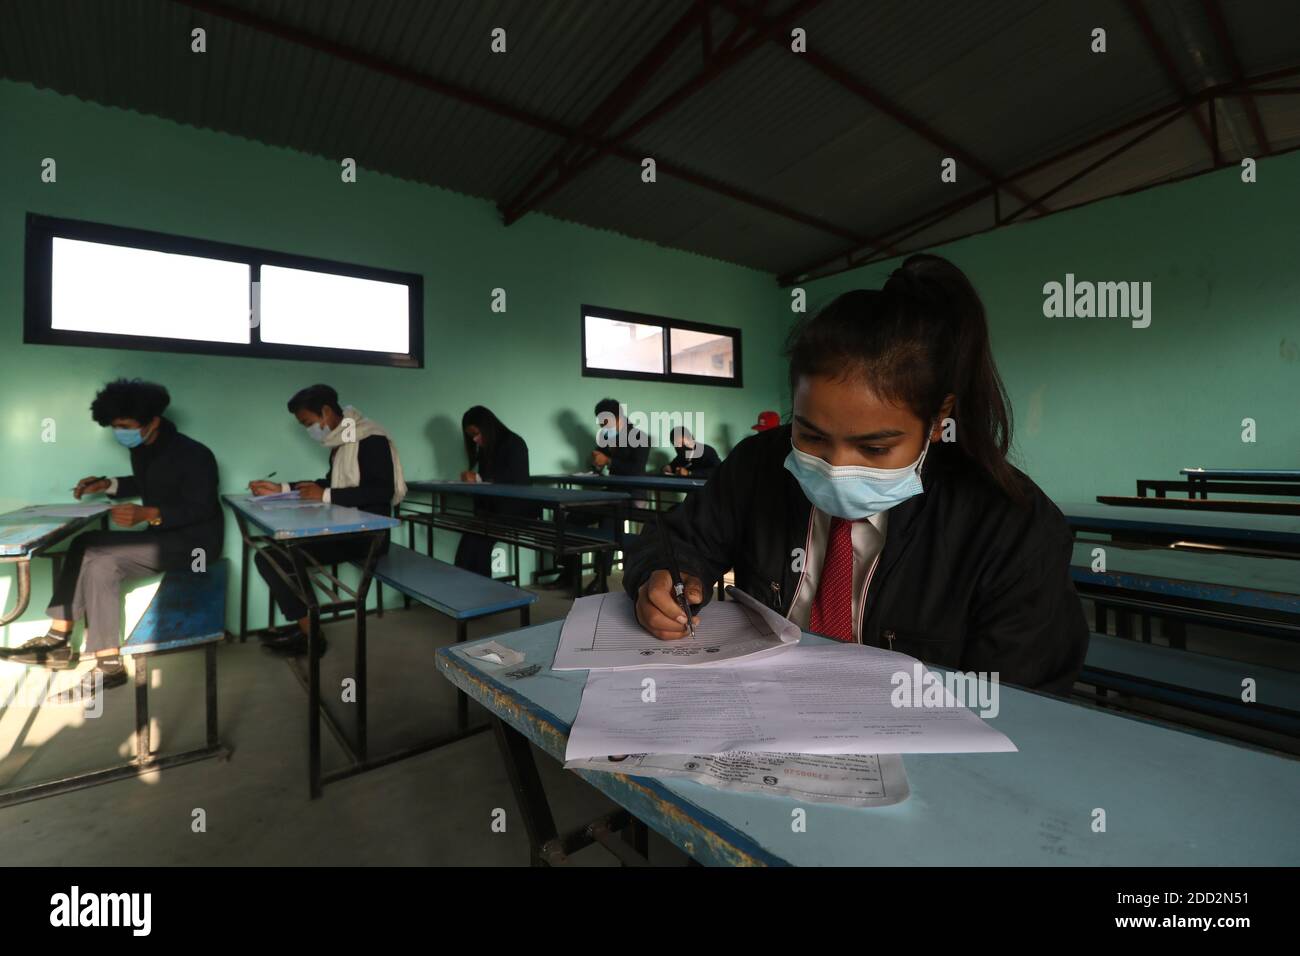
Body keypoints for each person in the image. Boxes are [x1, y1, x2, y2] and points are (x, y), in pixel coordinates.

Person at [625, 254, 1089, 694]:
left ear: (937, 419)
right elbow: (680, 539)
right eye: (811, 436)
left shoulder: (1010, 527)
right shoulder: (758, 465)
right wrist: (665, 575)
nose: (837, 467)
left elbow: (1018, 699)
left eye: (874, 447)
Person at [1, 379, 222, 704]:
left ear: (153, 422)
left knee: (102, 561)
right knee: (85, 541)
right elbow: (149, 481)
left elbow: (202, 508)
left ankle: (108, 666)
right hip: (162, 537)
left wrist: (150, 514)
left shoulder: (196, 454)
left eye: (125, 426)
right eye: (115, 426)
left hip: (197, 545)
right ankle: (58, 639)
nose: (119, 432)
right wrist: (107, 484)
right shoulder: (144, 449)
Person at [248, 385, 406, 656]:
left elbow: (382, 491)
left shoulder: (371, 438)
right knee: (274, 555)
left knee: (273, 558)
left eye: (307, 423)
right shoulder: (342, 440)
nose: (308, 430)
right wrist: (281, 488)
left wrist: (325, 494)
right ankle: (305, 626)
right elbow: (330, 483)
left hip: (367, 536)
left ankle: (311, 635)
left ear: (325, 411)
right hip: (343, 529)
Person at [558, 398, 649, 594]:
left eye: (603, 421)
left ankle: (601, 578)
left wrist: (608, 460)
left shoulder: (640, 437)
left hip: (633, 493)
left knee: (608, 519)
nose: (601, 426)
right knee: (571, 517)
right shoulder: (606, 437)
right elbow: (598, 463)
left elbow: (636, 469)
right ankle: (568, 574)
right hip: (612, 493)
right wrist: (596, 463)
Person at [454, 406, 539, 577]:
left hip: (515, 511)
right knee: (470, 546)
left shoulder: (514, 443)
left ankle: (479, 589)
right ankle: (475, 588)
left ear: (487, 427)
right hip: (493, 512)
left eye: (476, 434)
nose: (475, 440)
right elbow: (486, 484)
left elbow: (518, 482)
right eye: (471, 436)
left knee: (475, 545)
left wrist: (477, 479)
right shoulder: (487, 449)